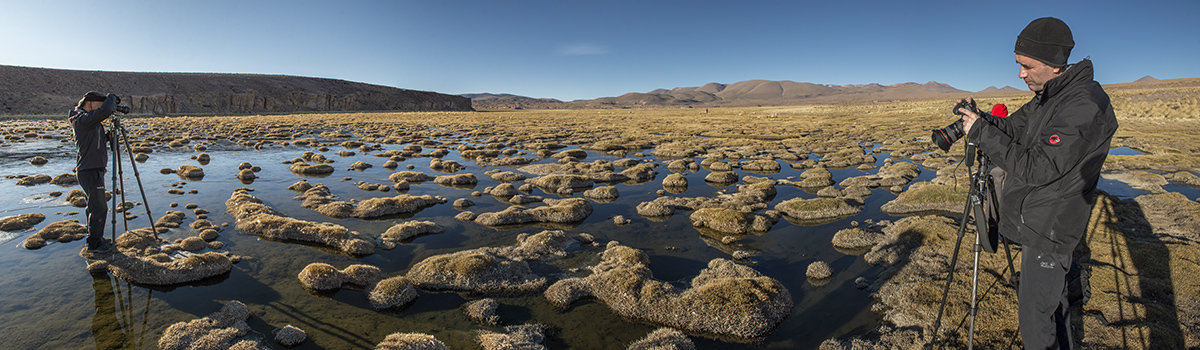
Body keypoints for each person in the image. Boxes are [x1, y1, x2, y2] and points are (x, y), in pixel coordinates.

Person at [959, 17, 1117, 349]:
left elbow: (1037, 167)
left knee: (1036, 319)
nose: (1020, 74)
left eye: (1027, 66)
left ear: (1054, 63)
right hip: (1039, 218)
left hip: (1052, 228)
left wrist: (981, 133)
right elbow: (1014, 128)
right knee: (1051, 308)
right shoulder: (1050, 95)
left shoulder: (1084, 105)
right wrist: (981, 118)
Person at [70, 91, 120, 255]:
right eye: (99, 106)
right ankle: (94, 245)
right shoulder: (81, 119)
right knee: (99, 208)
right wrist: (111, 98)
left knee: (94, 207)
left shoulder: (87, 121)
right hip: (90, 170)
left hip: (93, 169)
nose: (102, 112)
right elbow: (104, 112)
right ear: (89, 103)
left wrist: (109, 135)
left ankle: (96, 238)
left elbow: (97, 140)